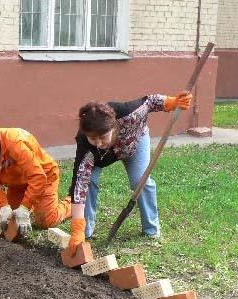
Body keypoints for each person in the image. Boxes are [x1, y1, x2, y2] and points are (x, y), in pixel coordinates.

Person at [67, 92, 192, 254]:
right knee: (88, 181)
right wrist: (76, 228)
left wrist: (172, 102)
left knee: (140, 181)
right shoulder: (86, 145)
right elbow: (79, 187)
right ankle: (85, 231)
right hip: (100, 159)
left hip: (133, 144)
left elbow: (150, 102)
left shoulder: (129, 113)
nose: (98, 144)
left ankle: (151, 230)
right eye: (93, 139)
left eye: (102, 137)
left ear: (112, 126)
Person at [0, 121, 72, 235]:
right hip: (17, 182)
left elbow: (38, 177)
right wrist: (3, 206)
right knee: (11, 217)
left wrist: (25, 207)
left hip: (44, 177)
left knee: (46, 221)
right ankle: (33, 204)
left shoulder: (16, 143)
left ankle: (73, 203)